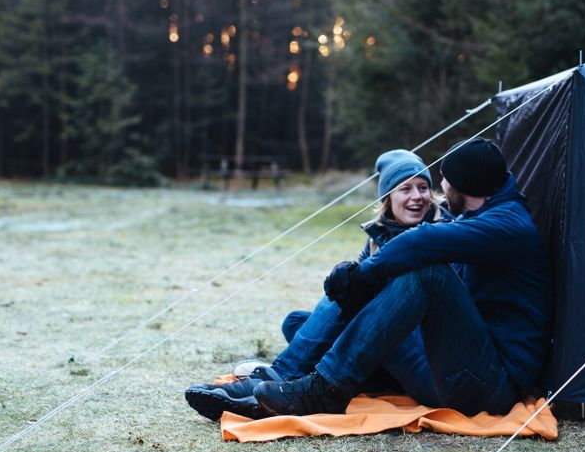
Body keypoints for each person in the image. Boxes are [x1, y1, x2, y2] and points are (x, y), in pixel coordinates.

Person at [251, 138, 553, 417]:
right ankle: (286, 379)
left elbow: (420, 242)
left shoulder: (506, 225)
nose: (441, 186)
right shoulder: (487, 217)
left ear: (463, 185)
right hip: (454, 370)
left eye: (443, 179)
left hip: (489, 386)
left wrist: (363, 276)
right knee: (298, 323)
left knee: (429, 273)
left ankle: (324, 389)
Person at [185, 149, 449, 421]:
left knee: (346, 302)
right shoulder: (377, 237)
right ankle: (285, 379)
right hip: (385, 350)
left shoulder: (444, 232)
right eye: (405, 188)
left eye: (423, 187)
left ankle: (282, 377)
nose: (417, 196)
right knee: (296, 321)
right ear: (387, 198)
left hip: (423, 355)